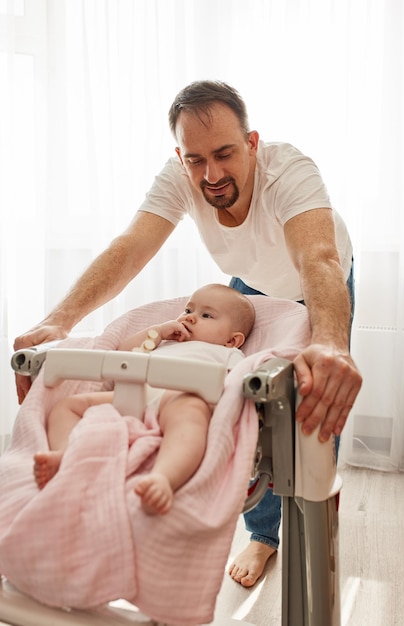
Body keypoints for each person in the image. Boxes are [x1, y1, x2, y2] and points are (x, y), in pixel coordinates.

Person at [15, 80, 362, 584]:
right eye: (196, 160)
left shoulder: (290, 171)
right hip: (249, 284)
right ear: (181, 155)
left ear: (252, 143)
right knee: (240, 403)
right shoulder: (182, 174)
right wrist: (59, 320)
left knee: (314, 406)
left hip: (318, 279)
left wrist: (330, 340)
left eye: (224, 153)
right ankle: (264, 537)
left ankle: (315, 529)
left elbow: (319, 257)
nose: (212, 173)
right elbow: (130, 247)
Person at [33, 283, 255, 515]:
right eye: (188, 310)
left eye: (206, 315)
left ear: (232, 340)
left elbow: (236, 385)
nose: (190, 318)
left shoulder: (228, 354)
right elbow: (121, 354)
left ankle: (163, 478)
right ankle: (67, 455)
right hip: (132, 393)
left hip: (179, 399)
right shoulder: (165, 341)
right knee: (67, 406)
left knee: (191, 417)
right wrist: (157, 332)